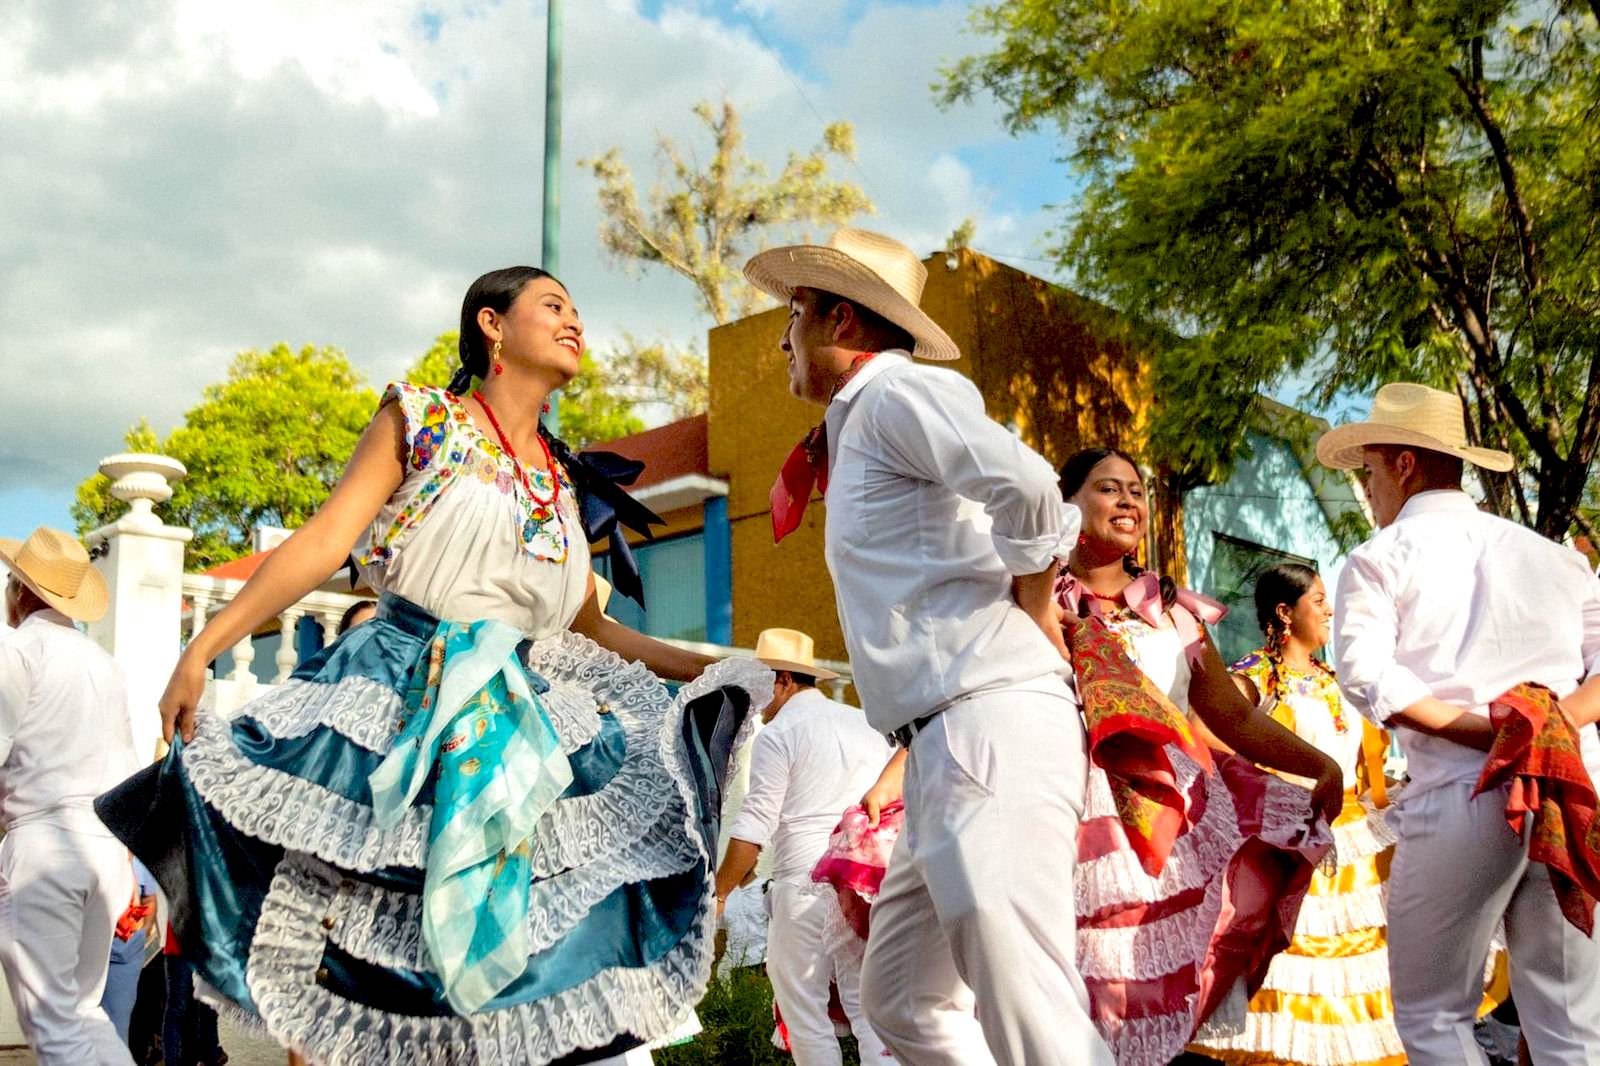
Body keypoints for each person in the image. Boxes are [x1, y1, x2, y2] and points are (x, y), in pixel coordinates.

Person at [98, 266, 772, 1066]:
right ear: (492, 324)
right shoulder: (421, 420)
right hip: (407, 695)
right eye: (553, 307)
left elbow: (591, 625)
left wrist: (717, 664)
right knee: (397, 954)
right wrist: (201, 650)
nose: (574, 324)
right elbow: (322, 543)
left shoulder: (562, 479)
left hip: (533, 714)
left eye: (578, 312)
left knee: (529, 955)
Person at [743, 228, 1114, 1066]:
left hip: (986, 723)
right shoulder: (871, 415)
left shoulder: (896, 395)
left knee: (1030, 1006)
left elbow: (1025, 487)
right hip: (945, 740)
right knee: (902, 1000)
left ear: (841, 319)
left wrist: (1030, 584)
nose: (782, 337)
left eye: (794, 314)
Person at [1320, 382, 1600, 1064]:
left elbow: (1367, 674)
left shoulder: (1379, 558)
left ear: (1403, 464)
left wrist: (1498, 733)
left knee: (1433, 1017)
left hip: (1463, 791)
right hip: (1569, 791)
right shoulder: (1560, 559)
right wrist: (1545, 726)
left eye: (1371, 470)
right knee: (1571, 1026)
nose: (1371, 488)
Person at [1055, 449, 1341, 1064]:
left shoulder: (1174, 613)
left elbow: (1232, 716)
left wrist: (1321, 764)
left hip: (1168, 820)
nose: (1129, 502)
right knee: (1063, 989)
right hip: (1062, 812)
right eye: (1109, 489)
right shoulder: (1037, 605)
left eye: (1136, 490)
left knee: (1139, 985)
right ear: (1066, 502)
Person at [1187, 563, 1406, 1065]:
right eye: (1320, 600)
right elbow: (1208, 729)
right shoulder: (1257, 677)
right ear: (1286, 613)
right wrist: (1264, 789)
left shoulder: (1338, 680)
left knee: (1367, 979)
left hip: (1357, 841)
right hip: (1298, 842)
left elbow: (1364, 766)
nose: (1331, 610)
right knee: (1296, 970)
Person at [712, 628, 894, 1066]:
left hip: (803, 883)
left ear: (783, 681)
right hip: (858, 882)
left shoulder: (778, 734)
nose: (755, 700)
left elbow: (754, 824)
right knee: (870, 1013)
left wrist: (719, 893)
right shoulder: (863, 723)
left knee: (804, 1012)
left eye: (759, 686)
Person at [0, 527, 140, 1065]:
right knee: (84, 1010)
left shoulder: (19, 652)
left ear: (21, 590)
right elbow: (127, 778)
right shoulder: (105, 665)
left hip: (45, 845)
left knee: (55, 1027)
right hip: (104, 850)